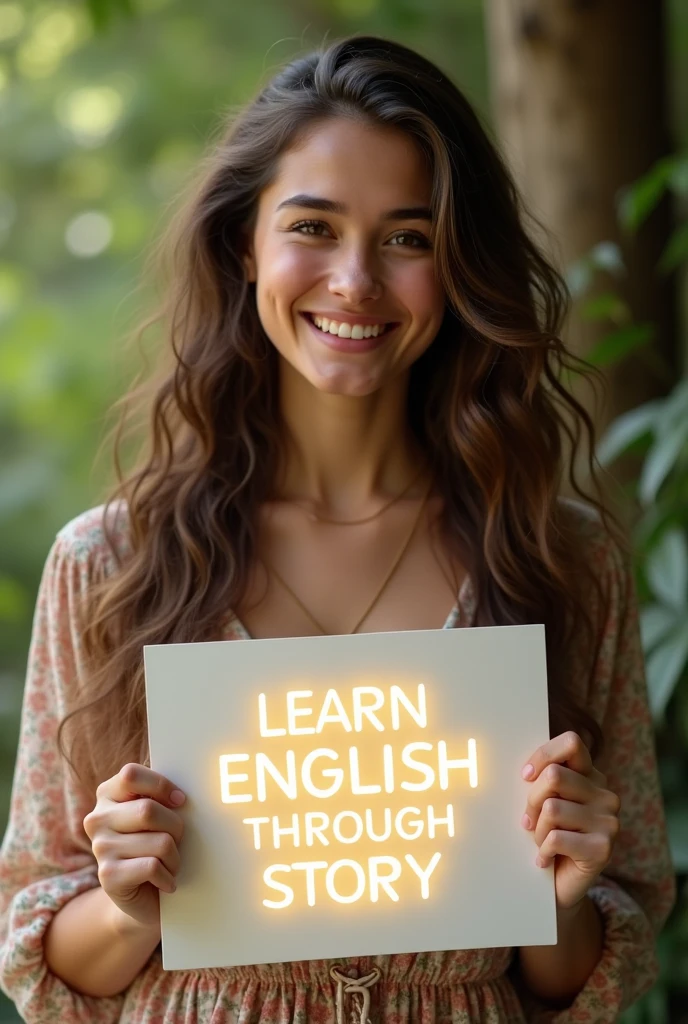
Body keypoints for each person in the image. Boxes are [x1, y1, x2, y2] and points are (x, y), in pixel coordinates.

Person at [0, 34, 675, 1024]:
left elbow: (588, 973)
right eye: (312, 226)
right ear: (244, 243)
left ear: (456, 265)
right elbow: (42, 947)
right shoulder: (110, 561)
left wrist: (559, 891)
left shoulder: (560, 557)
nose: (355, 280)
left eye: (407, 238)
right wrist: (131, 903)